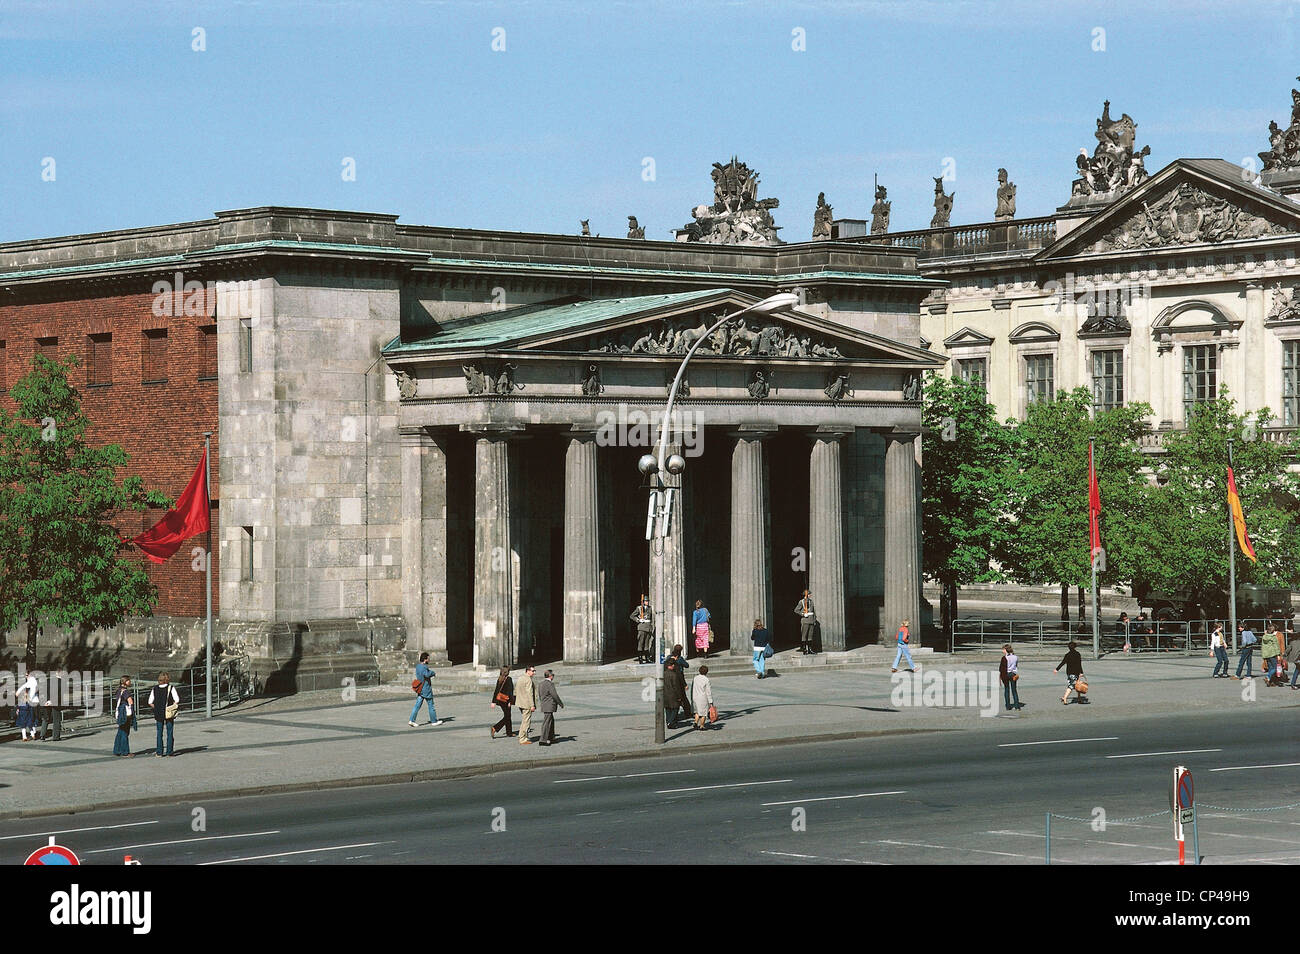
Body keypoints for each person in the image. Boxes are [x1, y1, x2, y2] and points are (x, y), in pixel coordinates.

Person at [148, 672, 180, 757]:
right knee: (169, 732)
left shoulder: (154, 688)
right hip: (168, 712)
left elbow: (150, 702)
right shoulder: (171, 688)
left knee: (159, 733)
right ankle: (169, 752)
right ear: (167, 679)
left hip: (158, 713)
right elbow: (177, 699)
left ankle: (159, 752)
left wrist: (157, 707)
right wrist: (172, 705)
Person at [409, 652, 444, 727]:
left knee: (417, 705)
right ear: (425, 659)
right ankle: (434, 721)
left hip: (420, 688)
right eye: (428, 658)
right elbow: (427, 674)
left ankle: (412, 720)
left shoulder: (418, 666)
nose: (429, 660)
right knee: (431, 705)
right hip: (426, 689)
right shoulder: (424, 667)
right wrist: (433, 672)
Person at [537, 669, 564, 746]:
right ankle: (543, 740)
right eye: (553, 675)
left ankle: (551, 737)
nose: (553, 677)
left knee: (551, 721)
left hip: (544, 704)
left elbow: (540, 694)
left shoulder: (541, 683)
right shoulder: (550, 684)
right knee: (547, 722)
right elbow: (554, 695)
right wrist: (560, 703)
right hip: (549, 705)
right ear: (550, 676)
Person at [490, 666, 515, 739]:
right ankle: (495, 728)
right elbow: (510, 691)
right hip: (506, 700)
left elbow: (496, 691)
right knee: (507, 716)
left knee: (507, 715)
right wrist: (510, 701)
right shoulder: (509, 679)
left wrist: (493, 702)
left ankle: (509, 732)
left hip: (500, 700)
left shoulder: (500, 679)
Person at [113, 676, 135, 757]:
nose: (130, 682)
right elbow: (130, 702)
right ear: (125, 681)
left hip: (120, 712)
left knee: (120, 731)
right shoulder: (126, 692)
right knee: (125, 732)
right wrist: (132, 712)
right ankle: (125, 751)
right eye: (129, 680)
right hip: (125, 713)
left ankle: (117, 750)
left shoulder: (118, 690)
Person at [516, 665, 537, 743]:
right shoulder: (528, 680)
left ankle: (522, 736)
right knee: (526, 721)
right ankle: (522, 738)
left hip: (520, 702)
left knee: (524, 720)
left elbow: (516, 690)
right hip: (526, 703)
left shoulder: (520, 678)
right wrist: (532, 705)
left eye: (534, 671)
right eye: (532, 671)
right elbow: (529, 693)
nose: (534, 672)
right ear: (527, 671)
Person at [630, 595, 654, 664]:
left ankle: (647, 658)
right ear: (643, 602)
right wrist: (638, 620)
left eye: (648, 601)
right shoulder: (639, 608)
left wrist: (651, 627)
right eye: (646, 601)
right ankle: (640, 658)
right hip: (642, 627)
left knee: (647, 644)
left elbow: (651, 618)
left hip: (648, 627)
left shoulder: (650, 608)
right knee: (641, 643)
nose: (647, 602)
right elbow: (632, 616)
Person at [999, 644, 1023, 710]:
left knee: (1007, 690)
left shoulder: (1004, 658)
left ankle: (1008, 706)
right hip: (1013, 674)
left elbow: (1001, 668)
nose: (1002, 651)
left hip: (1006, 674)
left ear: (1006, 650)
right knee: (1014, 690)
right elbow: (1016, 665)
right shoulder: (1015, 657)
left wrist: (1001, 676)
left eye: (1003, 649)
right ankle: (1017, 706)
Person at [15, 671, 38, 741]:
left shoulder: (31, 682)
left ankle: (25, 736)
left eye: (27, 675)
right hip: (27, 710)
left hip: (24, 712)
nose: (26, 676)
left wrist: (18, 709)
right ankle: (32, 735)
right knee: (29, 723)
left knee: (24, 725)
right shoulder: (26, 699)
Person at [691, 664, 714, 730]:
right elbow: (708, 691)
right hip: (703, 698)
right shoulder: (706, 680)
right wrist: (710, 701)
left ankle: (695, 722)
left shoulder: (695, 678)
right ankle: (702, 725)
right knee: (704, 713)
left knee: (697, 711)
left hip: (695, 697)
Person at [795, 590, 817, 655]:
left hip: (811, 620)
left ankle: (810, 649)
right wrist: (802, 614)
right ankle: (804, 649)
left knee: (810, 636)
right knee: (804, 635)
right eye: (809, 594)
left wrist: (814, 620)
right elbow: (796, 610)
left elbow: (814, 612)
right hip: (805, 620)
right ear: (806, 595)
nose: (810, 595)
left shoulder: (811, 602)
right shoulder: (801, 602)